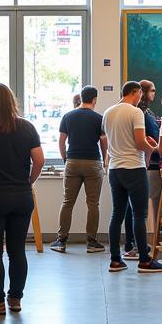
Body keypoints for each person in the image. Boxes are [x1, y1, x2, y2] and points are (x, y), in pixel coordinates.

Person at [0, 84, 44, 315]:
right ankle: (15, 299)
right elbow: (40, 160)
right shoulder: (26, 126)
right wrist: (29, 181)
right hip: (22, 197)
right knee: (17, 250)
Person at [103, 81, 162, 274]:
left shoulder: (108, 112)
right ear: (136, 92)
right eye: (140, 93)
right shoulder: (135, 112)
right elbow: (139, 142)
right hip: (134, 167)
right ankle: (145, 261)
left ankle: (115, 260)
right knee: (140, 214)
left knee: (117, 214)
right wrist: (154, 148)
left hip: (115, 169)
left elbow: (114, 140)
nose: (141, 97)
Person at [52, 86, 108, 253]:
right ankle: (91, 242)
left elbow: (61, 141)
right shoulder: (99, 118)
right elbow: (103, 142)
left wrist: (65, 158)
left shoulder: (68, 116)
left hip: (73, 162)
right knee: (93, 204)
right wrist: (104, 161)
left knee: (67, 202)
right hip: (92, 163)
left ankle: (61, 241)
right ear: (94, 99)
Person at [121, 79, 162, 260]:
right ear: (141, 92)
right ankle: (135, 246)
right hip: (143, 163)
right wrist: (155, 146)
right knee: (137, 209)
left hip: (134, 164)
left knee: (131, 209)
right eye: (152, 90)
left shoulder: (144, 112)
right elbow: (149, 137)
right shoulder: (140, 112)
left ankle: (133, 245)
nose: (154, 93)